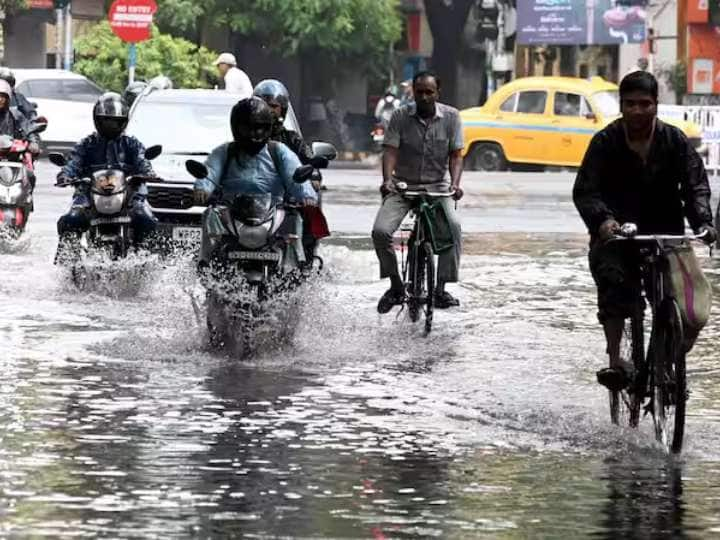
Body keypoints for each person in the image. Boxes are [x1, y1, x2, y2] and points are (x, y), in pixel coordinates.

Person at [573, 71, 716, 390]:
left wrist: (703, 223)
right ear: (621, 106)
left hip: (667, 235)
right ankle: (615, 362)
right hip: (618, 236)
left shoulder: (675, 140)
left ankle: (665, 363)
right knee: (614, 288)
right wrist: (603, 221)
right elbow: (585, 190)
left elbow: (695, 186)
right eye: (630, 104)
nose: (638, 111)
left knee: (692, 307)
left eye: (645, 104)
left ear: (656, 105)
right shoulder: (605, 142)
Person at [371, 71, 464, 313]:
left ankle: (441, 288)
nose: (423, 97)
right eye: (419, 92)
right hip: (402, 186)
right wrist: (386, 180)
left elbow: (456, 156)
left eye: (429, 92)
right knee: (380, 232)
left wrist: (455, 184)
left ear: (437, 93)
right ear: (413, 91)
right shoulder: (400, 116)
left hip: (437, 188)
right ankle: (395, 286)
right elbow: (390, 150)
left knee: (453, 229)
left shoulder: (452, 117)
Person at [192, 97, 317, 267]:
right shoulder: (225, 152)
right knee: (210, 213)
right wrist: (202, 189)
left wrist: (306, 195)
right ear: (236, 128)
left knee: (295, 218)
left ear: (268, 129)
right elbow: (210, 171)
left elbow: (294, 174)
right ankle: (205, 263)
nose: (254, 134)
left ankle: (297, 265)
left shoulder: (278, 151)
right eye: (247, 128)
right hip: (232, 211)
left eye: (259, 128)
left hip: (272, 210)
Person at [56, 92, 157, 258]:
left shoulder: (131, 144)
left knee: (145, 218)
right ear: (97, 120)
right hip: (88, 195)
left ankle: (146, 256)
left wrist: (148, 173)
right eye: (106, 121)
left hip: (129, 195)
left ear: (123, 122)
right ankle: (67, 260)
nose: (111, 125)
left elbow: (142, 161)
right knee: (71, 219)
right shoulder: (86, 144)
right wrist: (65, 175)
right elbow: (73, 162)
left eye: (116, 122)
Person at [252, 79, 313, 165]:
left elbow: (309, 160)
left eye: (273, 106)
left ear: (282, 110)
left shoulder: (292, 139)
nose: (268, 110)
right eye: (263, 105)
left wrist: (314, 162)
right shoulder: (245, 136)